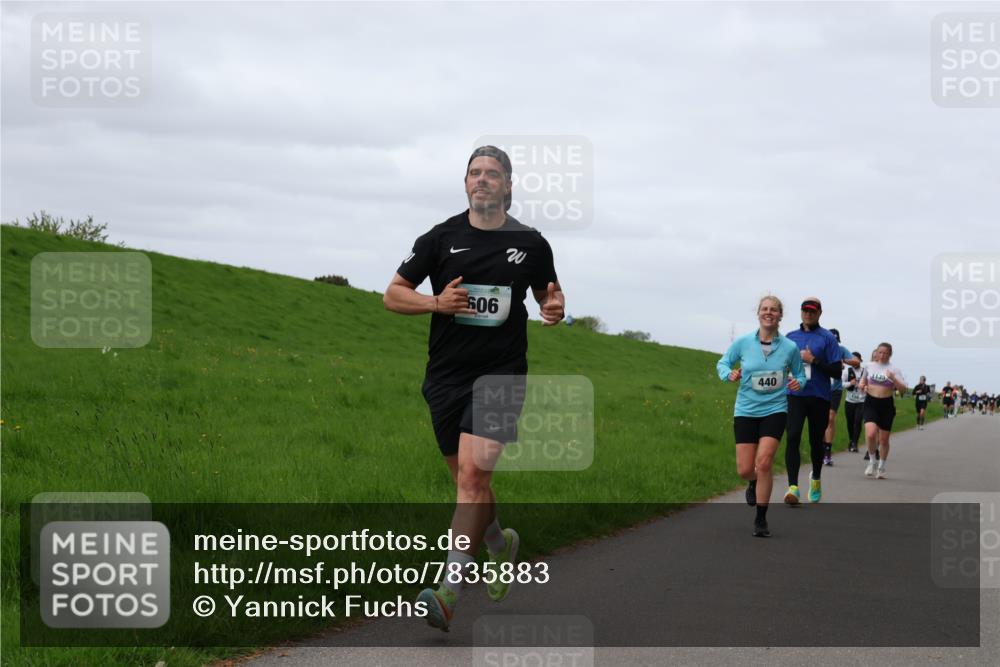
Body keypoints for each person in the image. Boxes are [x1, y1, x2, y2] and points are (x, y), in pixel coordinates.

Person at [383, 145, 565, 631]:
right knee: (467, 483)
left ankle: (447, 592)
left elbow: (549, 291)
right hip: (444, 378)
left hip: (502, 374)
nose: (481, 180)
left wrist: (555, 305)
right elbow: (393, 294)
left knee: (472, 478)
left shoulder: (532, 242)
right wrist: (436, 303)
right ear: (465, 184)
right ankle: (499, 545)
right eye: (474, 173)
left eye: (492, 174)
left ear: (508, 185)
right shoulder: (439, 238)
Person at [717, 296, 807, 537]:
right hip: (746, 410)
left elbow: (800, 375)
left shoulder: (789, 347)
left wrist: (798, 383)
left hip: (775, 409)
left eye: (774, 310)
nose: (769, 313)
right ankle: (753, 482)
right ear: (758, 314)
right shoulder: (743, 343)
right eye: (765, 309)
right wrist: (729, 374)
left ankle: (761, 518)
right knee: (746, 469)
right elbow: (723, 363)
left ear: (780, 316)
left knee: (764, 462)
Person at [783, 298, 843, 504]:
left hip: (819, 396)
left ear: (819, 313)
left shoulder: (827, 338)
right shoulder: (790, 337)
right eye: (805, 310)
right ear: (801, 312)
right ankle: (793, 487)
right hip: (794, 395)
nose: (808, 314)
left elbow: (837, 370)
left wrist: (814, 360)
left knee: (816, 441)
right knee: (792, 436)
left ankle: (816, 477)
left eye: (812, 311)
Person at [859, 342, 907, 479]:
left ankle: (881, 466)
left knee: (884, 440)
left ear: (890, 354)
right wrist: (863, 386)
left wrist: (893, 379)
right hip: (871, 403)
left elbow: (903, 390)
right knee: (870, 434)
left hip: (886, 405)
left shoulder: (895, 369)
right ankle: (872, 461)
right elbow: (862, 382)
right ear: (876, 352)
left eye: (885, 353)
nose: (882, 355)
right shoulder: (868, 366)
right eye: (880, 352)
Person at [822, 328, 861, 464]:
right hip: (819, 388)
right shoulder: (819, 348)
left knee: (830, 418)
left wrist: (843, 360)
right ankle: (820, 447)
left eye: (835, 341)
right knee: (819, 421)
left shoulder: (841, 349)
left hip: (835, 390)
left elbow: (856, 362)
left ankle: (827, 452)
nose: (832, 343)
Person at [843, 351, 865, 452]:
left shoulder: (865, 371)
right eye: (852, 359)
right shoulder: (846, 371)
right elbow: (841, 384)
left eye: (856, 359)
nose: (854, 361)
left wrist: (865, 387)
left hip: (861, 401)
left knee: (857, 421)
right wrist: (850, 383)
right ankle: (851, 440)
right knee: (850, 422)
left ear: (860, 360)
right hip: (849, 401)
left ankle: (855, 443)